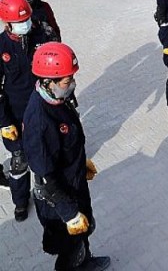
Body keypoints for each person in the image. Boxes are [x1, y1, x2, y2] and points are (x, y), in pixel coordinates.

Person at [23, 42, 110, 271]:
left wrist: (79, 164)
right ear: (47, 81)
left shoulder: (56, 98)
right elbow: (46, 178)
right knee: (69, 247)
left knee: (82, 237)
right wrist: (69, 214)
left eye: (71, 78)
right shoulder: (40, 120)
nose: (71, 84)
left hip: (73, 181)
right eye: (66, 81)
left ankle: (86, 261)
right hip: (60, 199)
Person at [0, 0, 58, 221]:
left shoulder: (42, 34)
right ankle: (20, 201)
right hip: (14, 113)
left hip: (42, 109)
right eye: (20, 21)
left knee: (44, 153)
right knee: (19, 159)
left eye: (27, 19)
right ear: (8, 23)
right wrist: (4, 123)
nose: (26, 24)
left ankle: (44, 191)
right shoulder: (1, 46)